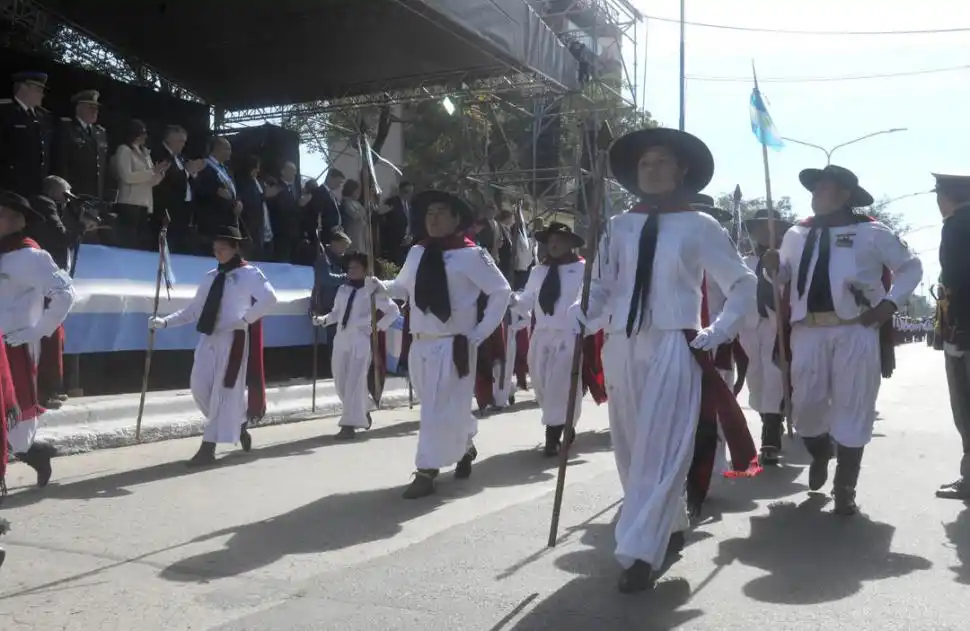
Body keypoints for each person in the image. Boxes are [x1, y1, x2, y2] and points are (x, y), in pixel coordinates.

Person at [576, 127, 760, 593]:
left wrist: (718, 331)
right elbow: (601, 287)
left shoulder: (700, 225)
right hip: (621, 343)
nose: (652, 170)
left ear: (681, 171)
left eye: (662, 162)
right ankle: (670, 520)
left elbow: (742, 284)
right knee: (630, 448)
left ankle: (639, 552)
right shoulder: (617, 226)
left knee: (661, 447)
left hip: (673, 343)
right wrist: (584, 312)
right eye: (645, 163)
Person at [763, 164, 922, 515]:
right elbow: (783, 277)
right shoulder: (796, 234)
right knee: (805, 408)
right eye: (814, 188)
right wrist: (771, 266)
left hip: (855, 329)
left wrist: (888, 305)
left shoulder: (872, 232)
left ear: (845, 195)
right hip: (807, 331)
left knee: (854, 405)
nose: (816, 194)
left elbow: (911, 268)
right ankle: (821, 451)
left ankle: (845, 486)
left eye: (824, 188)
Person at [367, 190, 511, 499]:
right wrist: (381, 287)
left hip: (454, 344)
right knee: (440, 407)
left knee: (436, 410)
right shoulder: (418, 252)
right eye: (429, 213)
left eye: (441, 213)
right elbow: (403, 289)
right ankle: (465, 445)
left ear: (457, 219)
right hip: (420, 342)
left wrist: (480, 333)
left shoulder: (472, 254)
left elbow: (501, 291)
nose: (433, 219)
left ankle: (426, 471)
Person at [149, 226, 278, 465]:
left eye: (223, 249)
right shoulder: (211, 276)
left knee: (222, 393)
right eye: (215, 249)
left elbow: (270, 299)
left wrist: (245, 320)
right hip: (209, 337)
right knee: (199, 387)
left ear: (235, 248)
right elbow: (194, 310)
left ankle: (207, 448)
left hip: (233, 339)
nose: (218, 253)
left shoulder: (250, 273)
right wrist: (165, 322)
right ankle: (238, 421)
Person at [0, 191, 75, 488]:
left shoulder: (32, 256)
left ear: (18, 221)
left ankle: (31, 452)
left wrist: (39, 330)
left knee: (15, 421)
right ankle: (32, 453)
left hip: (14, 347)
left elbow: (65, 294)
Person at [512, 221, 606, 456]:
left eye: (559, 240)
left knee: (561, 385)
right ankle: (561, 423)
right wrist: (513, 300)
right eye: (550, 241)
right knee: (541, 384)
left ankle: (554, 434)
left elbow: (595, 302)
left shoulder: (583, 269)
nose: (553, 245)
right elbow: (528, 300)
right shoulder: (539, 271)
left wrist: (585, 327)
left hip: (568, 335)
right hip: (541, 335)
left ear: (570, 243)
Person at [313, 251, 399, 440]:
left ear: (365, 270)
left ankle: (348, 425)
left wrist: (375, 327)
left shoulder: (372, 290)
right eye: (349, 267)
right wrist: (323, 320)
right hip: (341, 338)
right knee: (340, 381)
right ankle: (363, 409)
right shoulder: (343, 289)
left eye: (356, 267)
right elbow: (337, 313)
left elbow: (393, 311)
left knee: (354, 381)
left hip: (360, 339)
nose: (351, 270)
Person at [739, 208, 792, 465]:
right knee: (755, 379)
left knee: (774, 377)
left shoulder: (787, 260)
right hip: (749, 326)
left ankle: (770, 436)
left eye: (769, 226)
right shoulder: (743, 262)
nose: (763, 231)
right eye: (759, 227)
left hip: (776, 324)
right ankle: (770, 418)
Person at [933, 172, 970, 500]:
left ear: (945, 197)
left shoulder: (956, 226)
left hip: (965, 330)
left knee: (965, 404)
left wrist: (955, 326)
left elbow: (956, 279)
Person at [111, 119, 168, 249]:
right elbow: (127, 176)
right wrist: (152, 171)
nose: (145, 136)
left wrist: (159, 173)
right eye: (142, 133)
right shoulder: (124, 150)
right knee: (128, 241)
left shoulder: (145, 153)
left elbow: (150, 181)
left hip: (145, 203)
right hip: (129, 202)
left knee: (142, 242)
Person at [0, 71, 53, 197]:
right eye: (38, 89)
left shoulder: (43, 116)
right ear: (23, 87)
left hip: (38, 186)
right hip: (10, 186)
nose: (42, 94)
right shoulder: (5, 111)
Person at [52, 90, 109, 201]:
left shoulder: (100, 132)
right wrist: (64, 190)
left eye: (96, 108)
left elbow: (103, 166)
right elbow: (61, 162)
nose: (95, 111)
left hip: (95, 193)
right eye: (90, 107)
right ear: (79, 108)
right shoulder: (67, 128)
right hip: (74, 191)